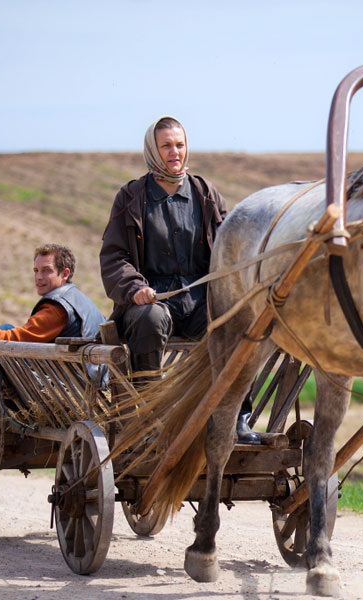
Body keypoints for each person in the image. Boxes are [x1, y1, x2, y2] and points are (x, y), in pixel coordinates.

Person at [99, 116, 260, 444]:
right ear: (152, 150)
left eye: (179, 144)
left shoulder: (205, 193)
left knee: (237, 323)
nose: (175, 152)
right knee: (150, 319)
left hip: (200, 298)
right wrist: (135, 288)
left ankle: (236, 418)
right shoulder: (131, 197)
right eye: (166, 146)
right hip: (151, 298)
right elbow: (115, 257)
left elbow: (230, 246)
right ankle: (148, 417)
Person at [0, 243, 108, 382]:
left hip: (71, 385)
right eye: (36, 270)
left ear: (65, 274)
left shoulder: (57, 310)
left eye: (46, 270)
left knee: (4, 333)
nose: (39, 277)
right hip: (83, 377)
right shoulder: (79, 299)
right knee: (7, 328)